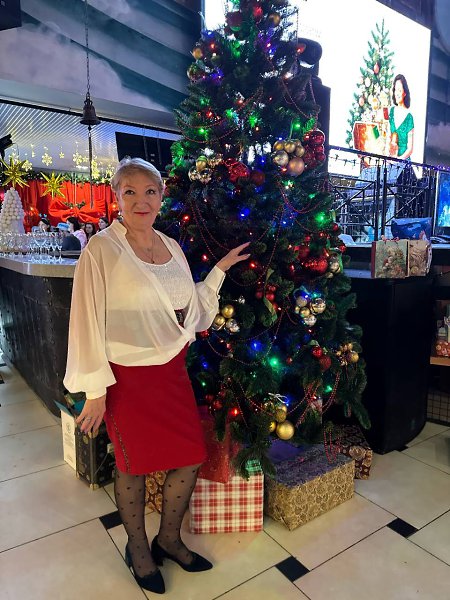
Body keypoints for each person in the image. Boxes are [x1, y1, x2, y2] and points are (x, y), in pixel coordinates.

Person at [63, 157, 250, 594]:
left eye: (150, 191)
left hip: (171, 372)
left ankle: (168, 539)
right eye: (129, 191)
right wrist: (95, 390)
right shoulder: (101, 250)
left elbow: (188, 309)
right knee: (133, 465)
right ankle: (138, 548)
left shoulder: (171, 246)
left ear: (161, 197)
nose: (140, 200)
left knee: (190, 456)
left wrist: (219, 270)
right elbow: (85, 319)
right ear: (117, 197)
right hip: (126, 378)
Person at [387, 74, 414, 160]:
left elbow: (410, 149)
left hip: (403, 163)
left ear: (404, 93)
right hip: (390, 161)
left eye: (399, 90)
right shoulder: (391, 111)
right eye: (395, 90)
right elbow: (388, 137)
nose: (397, 93)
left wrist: (399, 160)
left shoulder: (409, 117)